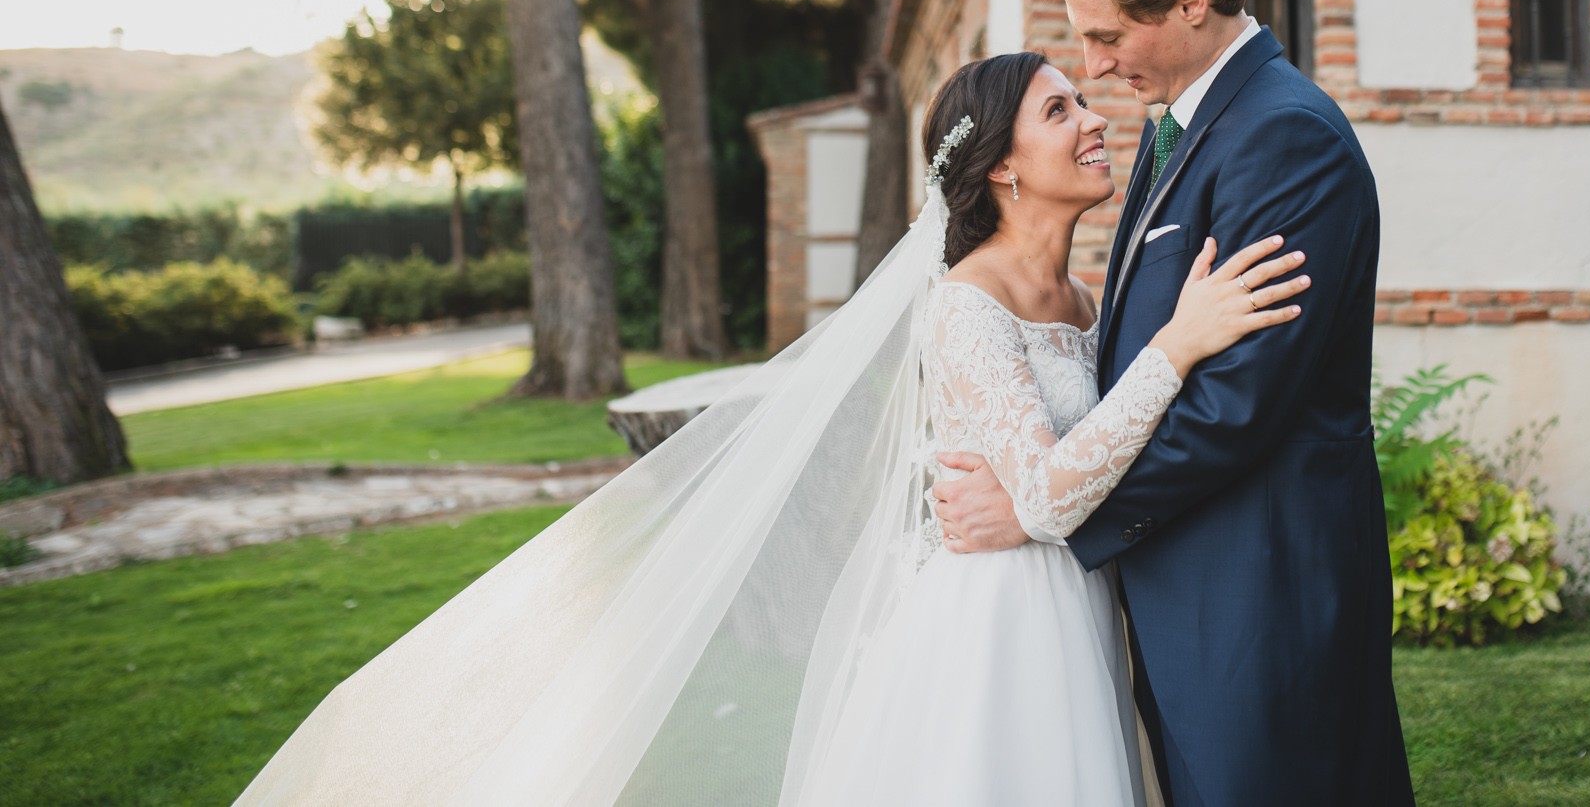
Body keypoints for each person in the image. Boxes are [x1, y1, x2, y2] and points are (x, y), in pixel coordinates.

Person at [231, 48, 1304, 806]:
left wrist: (1061, 464)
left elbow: (1060, 482)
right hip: (996, 627)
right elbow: (1052, 490)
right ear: (1002, 168)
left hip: (1084, 602)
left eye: (1084, 98)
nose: (1093, 120)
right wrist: (1178, 347)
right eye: (1060, 109)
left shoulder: (1087, 301)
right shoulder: (963, 305)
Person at [933, 0, 1416, 806]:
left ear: (1191, 1)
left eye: (1108, 35)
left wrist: (1043, 512)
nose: (1097, 64)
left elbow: (1234, 406)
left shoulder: (1284, 139)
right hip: (1179, 599)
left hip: (1257, 599)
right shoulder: (1181, 132)